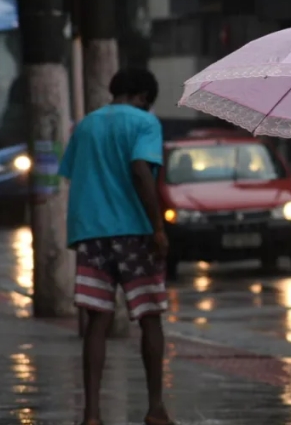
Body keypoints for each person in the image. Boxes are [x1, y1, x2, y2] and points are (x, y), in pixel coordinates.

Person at [59, 68, 173, 425]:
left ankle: (92, 414)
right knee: (150, 316)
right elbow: (140, 170)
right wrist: (157, 228)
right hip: (135, 233)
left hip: (91, 233)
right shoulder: (144, 123)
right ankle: (155, 409)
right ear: (142, 96)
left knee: (97, 320)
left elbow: (74, 174)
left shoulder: (86, 125)